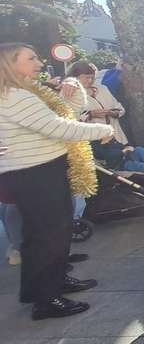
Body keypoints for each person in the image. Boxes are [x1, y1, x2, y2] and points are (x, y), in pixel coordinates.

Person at [0, 43, 113, 320]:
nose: (39, 63)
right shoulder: (14, 96)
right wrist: (101, 130)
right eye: (31, 58)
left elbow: (67, 112)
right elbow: (58, 127)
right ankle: (47, 300)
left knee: (42, 234)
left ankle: (45, 286)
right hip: (36, 173)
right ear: (10, 64)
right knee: (49, 235)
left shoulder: (21, 92)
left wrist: (73, 88)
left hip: (34, 171)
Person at [67, 62, 129, 145]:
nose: (90, 80)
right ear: (75, 78)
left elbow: (120, 109)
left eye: (92, 78)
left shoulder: (102, 89)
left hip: (118, 138)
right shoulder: (70, 96)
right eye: (87, 77)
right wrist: (90, 115)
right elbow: (70, 122)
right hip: (93, 143)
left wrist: (111, 113)